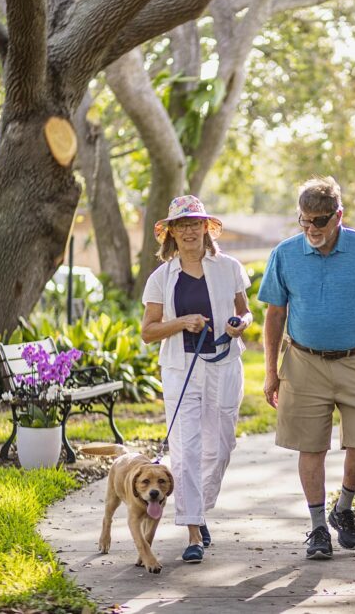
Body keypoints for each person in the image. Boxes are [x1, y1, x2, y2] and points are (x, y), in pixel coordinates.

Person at [258, 176, 355, 559]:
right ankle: (316, 530)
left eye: (320, 221)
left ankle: (343, 509)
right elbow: (274, 314)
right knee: (310, 445)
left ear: (338, 215)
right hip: (303, 361)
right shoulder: (285, 254)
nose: (311, 229)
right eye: (304, 220)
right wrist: (270, 370)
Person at [140, 195, 252, 564]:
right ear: (171, 233)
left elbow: (245, 312)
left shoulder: (229, 267)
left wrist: (240, 326)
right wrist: (182, 323)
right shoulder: (161, 277)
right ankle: (192, 530)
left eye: (195, 223)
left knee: (220, 448)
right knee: (186, 448)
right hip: (181, 369)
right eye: (181, 225)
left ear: (206, 228)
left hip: (224, 364)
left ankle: (198, 509)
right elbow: (149, 331)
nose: (189, 231)